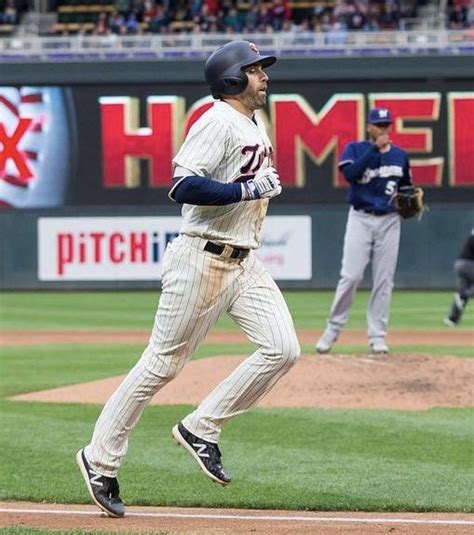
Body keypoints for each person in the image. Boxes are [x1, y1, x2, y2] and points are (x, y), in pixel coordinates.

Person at [76, 40, 301, 518]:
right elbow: (182, 185)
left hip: (244, 261)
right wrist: (246, 188)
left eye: (262, 70)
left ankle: (202, 427)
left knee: (283, 348)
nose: (264, 77)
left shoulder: (249, 123)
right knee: (160, 365)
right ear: (232, 79)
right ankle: (99, 459)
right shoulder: (216, 120)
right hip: (202, 259)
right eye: (256, 70)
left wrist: (254, 186)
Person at [316, 107, 414, 356]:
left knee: (384, 280)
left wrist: (408, 198)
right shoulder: (355, 149)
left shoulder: (401, 156)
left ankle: (377, 336)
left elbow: (407, 188)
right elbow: (350, 174)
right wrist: (374, 150)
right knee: (351, 276)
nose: (383, 129)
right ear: (369, 127)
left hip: (390, 220)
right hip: (360, 217)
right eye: (378, 125)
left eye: (386, 125)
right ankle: (332, 329)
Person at [443, 230, 474, 326]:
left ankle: (452, 319)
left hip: (459, 265)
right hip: (468, 265)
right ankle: (464, 294)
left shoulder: (470, 238)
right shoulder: (472, 239)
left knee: (461, 295)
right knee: (463, 294)